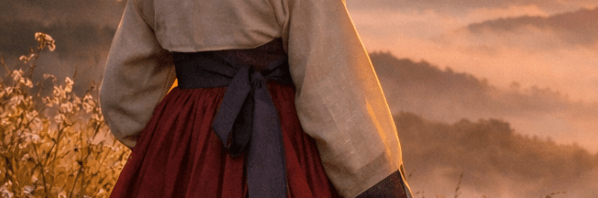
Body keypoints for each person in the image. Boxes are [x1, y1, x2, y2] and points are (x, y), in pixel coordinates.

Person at [98, 0, 411, 197]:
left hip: (188, 148)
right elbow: (329, 89)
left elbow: (124, 96)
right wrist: (376, 180)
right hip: (278, 137)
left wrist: (174, 149)